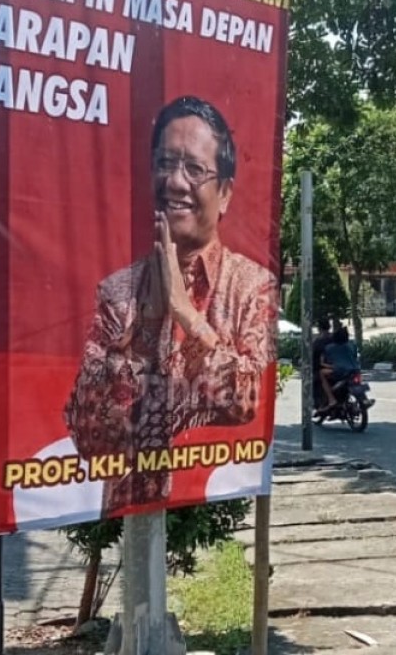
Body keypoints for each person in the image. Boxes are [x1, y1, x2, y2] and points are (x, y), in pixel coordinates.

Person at [64, 95, 279, 514]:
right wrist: (145, 327)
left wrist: (185, 313)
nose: (175, 183)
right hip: (128, 515)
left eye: (194, 169)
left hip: (214, 513)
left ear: (225, 194)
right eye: (165, 164)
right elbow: (88, 436)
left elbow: (248, 402)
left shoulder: (253, 287)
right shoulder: (116, 292)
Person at [318, 324, 360, 414]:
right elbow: (355, 356)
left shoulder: (329, 348)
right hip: (355, 369)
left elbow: (323, 362)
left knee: (321, 372)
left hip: (340, 371)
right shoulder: (352, 345)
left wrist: (327, 365)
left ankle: (331, 399)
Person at [310, 315, 333, 409]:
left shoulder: (318, 342)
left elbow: (312, 354)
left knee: (313, 380)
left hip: (323, 367)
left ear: (319, 328)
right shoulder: (334, 338)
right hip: (336, 366)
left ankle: (320, 403)